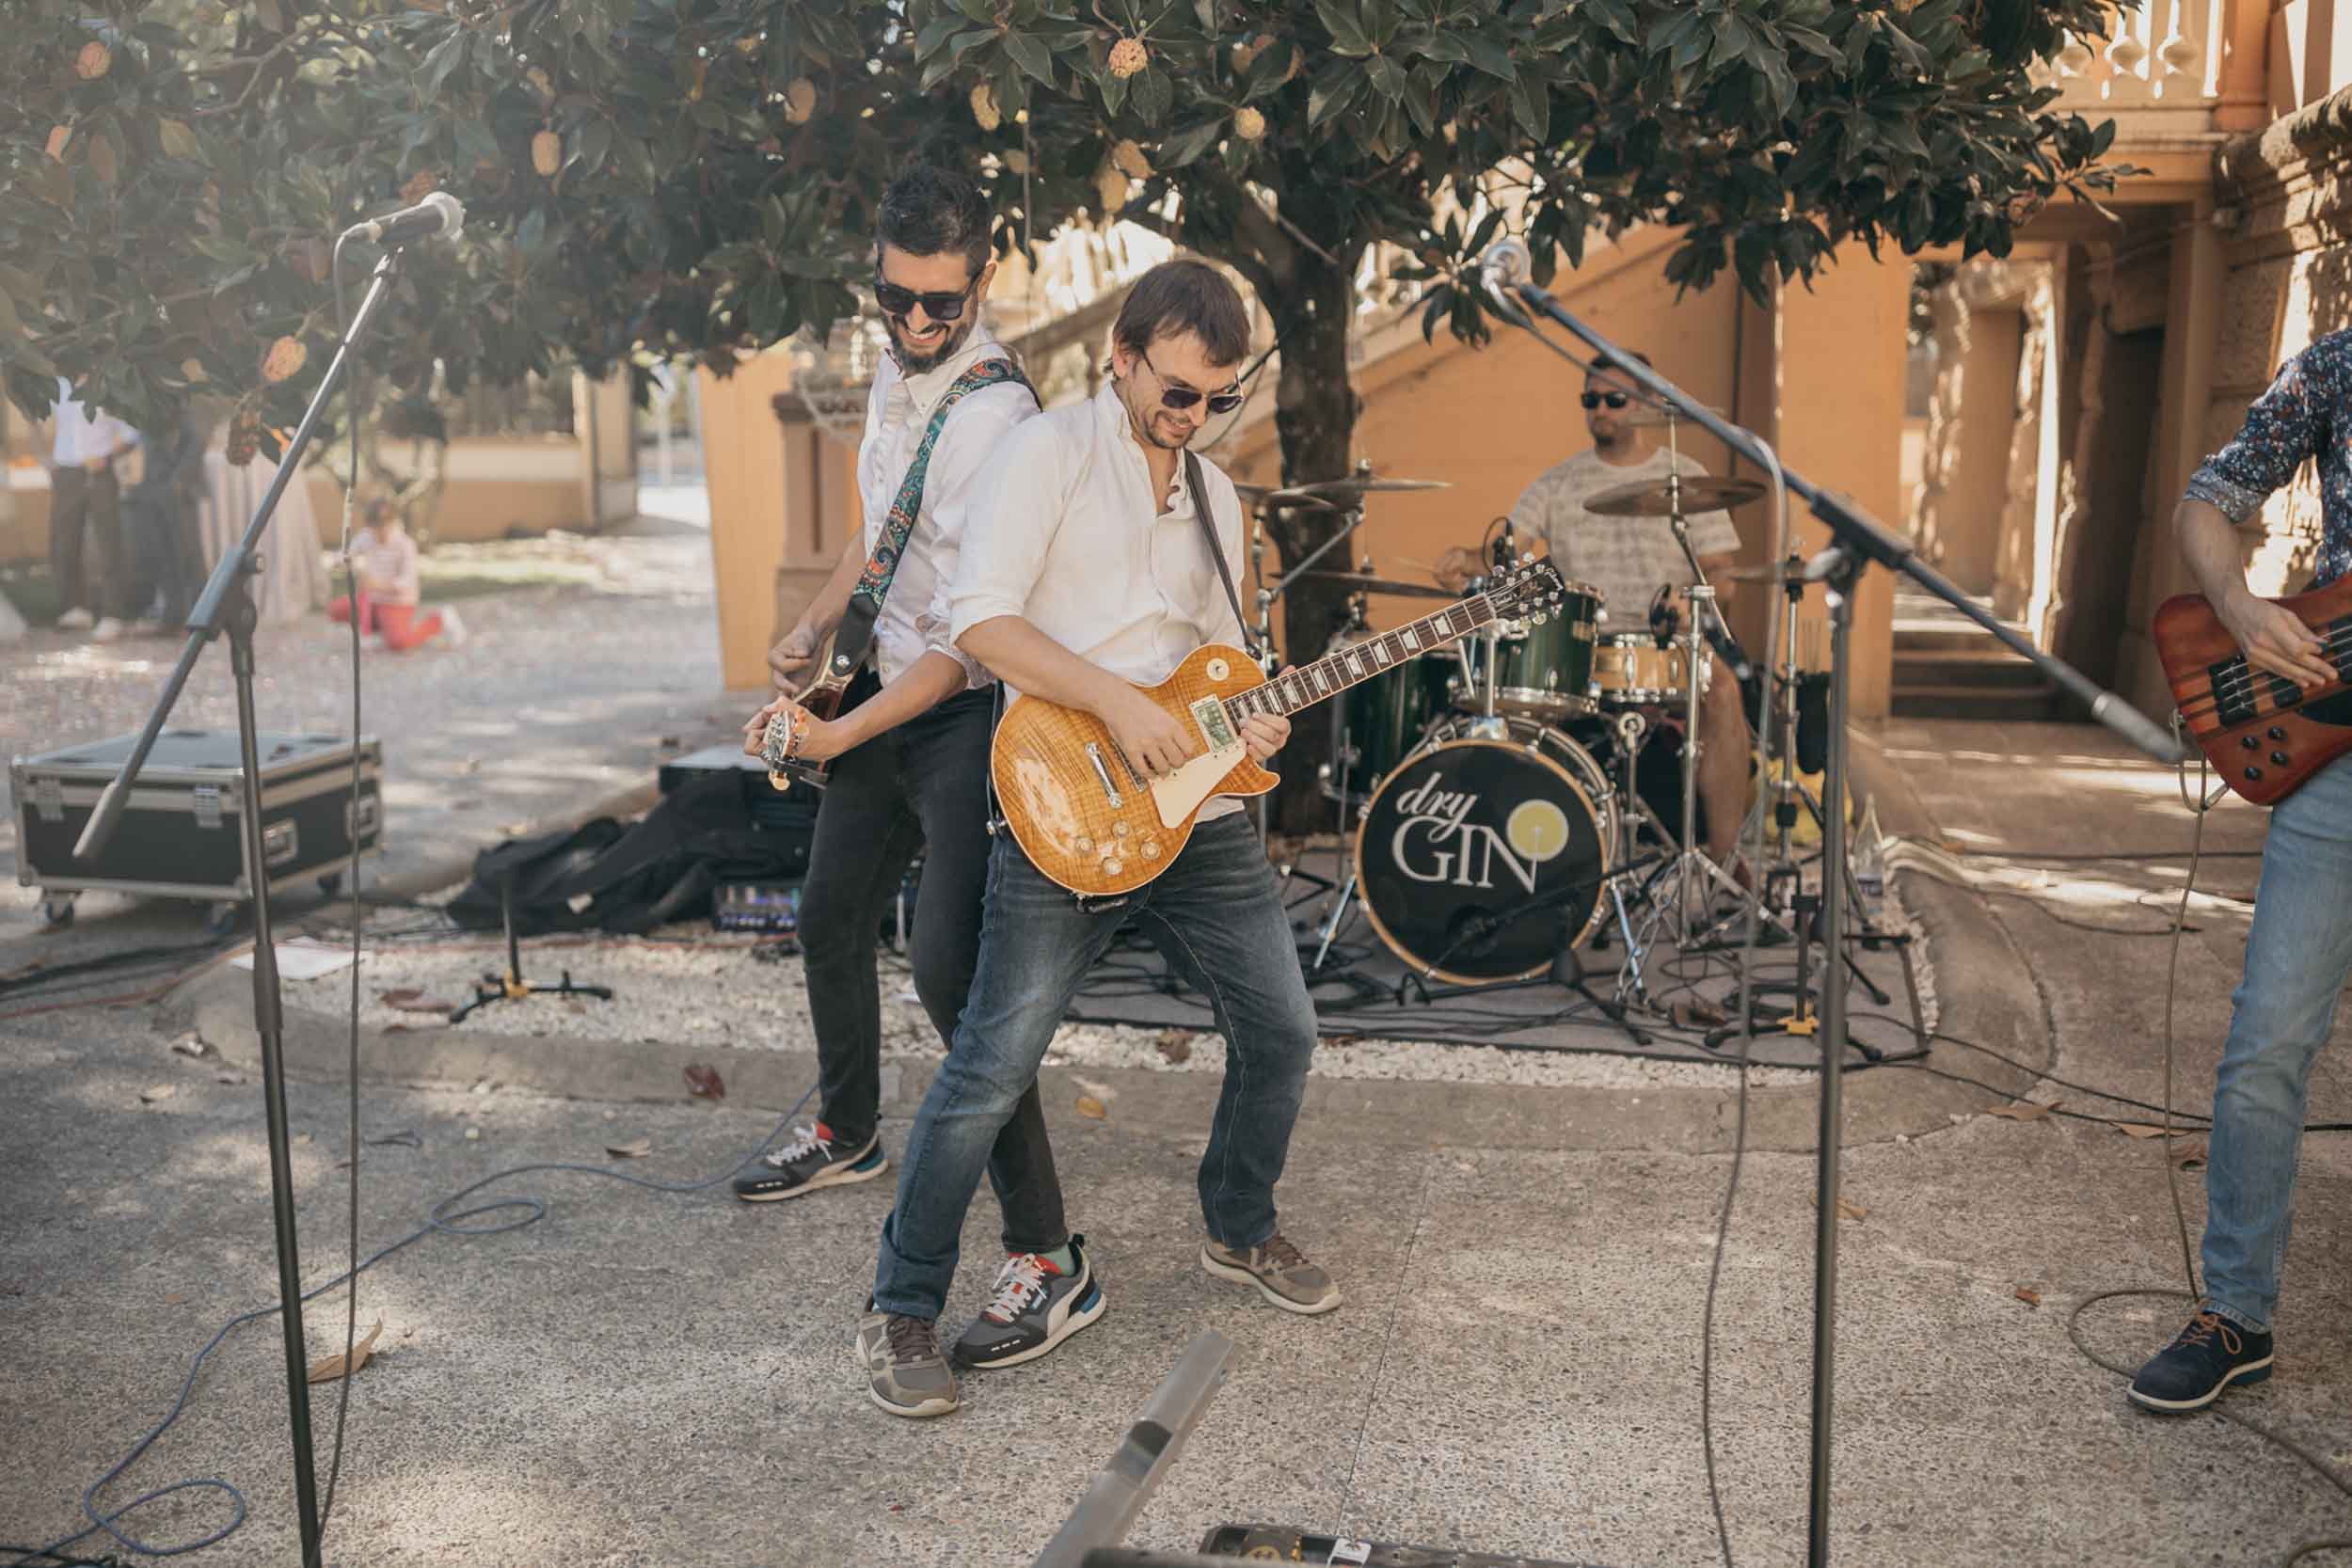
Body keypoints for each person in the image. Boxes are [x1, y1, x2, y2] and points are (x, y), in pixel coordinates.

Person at [857, 259, 1339, 1422]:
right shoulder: (1046, 453)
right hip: (1066, 793)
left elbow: (1218, 664)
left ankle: (1238, 1223)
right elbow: (981, 621)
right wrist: (1119, 705)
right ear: (1121, 358)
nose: (1195, 415)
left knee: (1282, 1029)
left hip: (1199, 811)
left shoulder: (1216, 496)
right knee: (991, 1064)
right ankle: (901, 1303)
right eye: (1177, 391)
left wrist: (1255, 717)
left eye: (1218, 398)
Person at [734, 166, 1083, 1375]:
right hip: (881, 685)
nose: (919, 322)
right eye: (898, 298)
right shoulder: (892, 365)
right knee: (828, 914)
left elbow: (966, 633)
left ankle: (1046, 1249)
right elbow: (881, 531)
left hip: (963, 708)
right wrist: (815, 629)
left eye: (942, 302)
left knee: (953, 980)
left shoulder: (999, 419)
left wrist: (836, 737)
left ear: (982, 280)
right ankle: (847, 1126)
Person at [2130, 327, 2352, 1414]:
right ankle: (2236, 1312)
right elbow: (2205, 502)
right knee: (2266, 1037)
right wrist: (2239, 606)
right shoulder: (2336, 364)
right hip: (2336, 749)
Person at [1437, 353, 1752, 870]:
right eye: (1590, 399)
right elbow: (1506, 553)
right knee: (1504, 695)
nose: (1599, 410)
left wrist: (1689, 601)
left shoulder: (1686, 477)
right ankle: (1521, 858)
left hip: (1666, 646)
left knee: (1723, 691)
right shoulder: (1558, 482)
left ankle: (1726, 860)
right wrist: (1463, 561)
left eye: (1614, 399)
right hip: (1578, 649)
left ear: (1647, 404)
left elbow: (1723, 575)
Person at [46, 377, 139, 641]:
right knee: (64, 541)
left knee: (108, 542)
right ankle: (75, 609)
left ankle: (113, 614)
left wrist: (107, 456)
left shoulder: (107, 387)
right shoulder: (58, 386)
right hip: (66, 471)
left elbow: (132, 433)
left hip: (100, 472)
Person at [326, 499, 464, 652]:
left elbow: (406, 583)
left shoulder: (405, 544)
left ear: (392, 523)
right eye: (374, 529)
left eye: (382, 528)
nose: (378, 534)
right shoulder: (367, 536)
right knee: (336, 610)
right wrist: (340, 561)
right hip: (372, 600)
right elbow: (346, 553)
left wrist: (378, 585)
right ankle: (378, 629)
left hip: (397, 602)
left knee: (399, 643)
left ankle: (441, 618)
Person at [123, 399, 212, 629]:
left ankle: (202, 617)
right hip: (149, 489)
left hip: (176, 492)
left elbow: (197, 440)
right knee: (161, 556)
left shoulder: (175, 398)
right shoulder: (140, 403)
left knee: (188, 555)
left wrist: (179, 480)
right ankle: (173, 616)